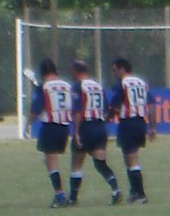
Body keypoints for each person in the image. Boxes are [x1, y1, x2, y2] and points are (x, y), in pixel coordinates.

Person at [66, 59, 122, 206]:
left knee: (77, 163)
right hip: (100, 127)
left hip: (86, 126)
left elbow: (78, 111)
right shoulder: (98, 86)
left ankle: (73, 198)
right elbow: (106, 109)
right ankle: (116, 190)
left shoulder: (78, 87)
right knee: (100, 163)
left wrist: (76, 132)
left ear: (76, 71)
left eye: (71, 71)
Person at [105, 56, 154, 203]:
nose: (114, 74)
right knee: (129, 158)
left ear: (122, 69)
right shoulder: (141, 83)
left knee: (131, 160)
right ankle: (134, 192)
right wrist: (152, 127)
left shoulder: (122, 85)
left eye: (115, 70)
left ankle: (140, 194)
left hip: (128, 123)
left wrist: (106, 118)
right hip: (140, 123)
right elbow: (151, 106)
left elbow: (115, 107)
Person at [31, 58, 77, 205]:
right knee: (50, 160)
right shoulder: (67, 85)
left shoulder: (44, 87)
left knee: (51, 161)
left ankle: (59, 194)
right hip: (64, 127)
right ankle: (65, 194)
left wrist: (28, 123)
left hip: (50, 126)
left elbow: (36, 108)